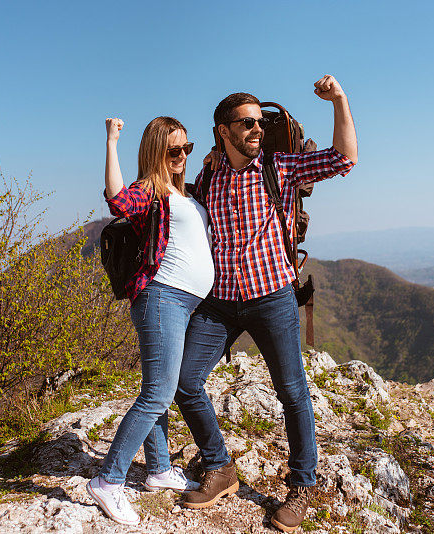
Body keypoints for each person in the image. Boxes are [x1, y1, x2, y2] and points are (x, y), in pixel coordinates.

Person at [175, 74, 358, 532]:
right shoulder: (208, 175)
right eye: (246, 123)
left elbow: (344, 159)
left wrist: (340, 100)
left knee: (291, 390)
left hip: (272, 295)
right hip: (221, 302)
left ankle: (301, 485)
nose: (257, 129)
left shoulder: (281, 167)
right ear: (223, 130)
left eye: (259, 122)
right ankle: (220, 467)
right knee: (184, 379)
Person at [86, 116, 214, 526]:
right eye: (172, 150)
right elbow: (118, 200)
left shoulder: (189, 193)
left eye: (186, 149)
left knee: (161, 388)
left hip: (185, 304)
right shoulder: (151, 192)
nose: (181, 157)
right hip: (162, 299)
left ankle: (158, 470)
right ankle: (108, 481)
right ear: (156, 153)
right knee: (158, 395)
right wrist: (111, 141)